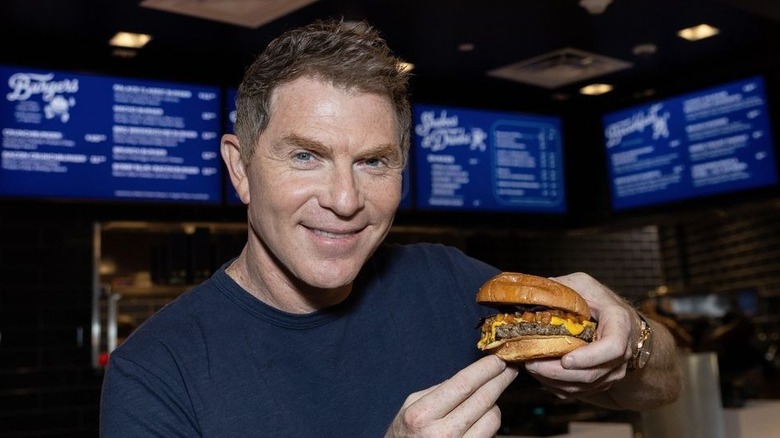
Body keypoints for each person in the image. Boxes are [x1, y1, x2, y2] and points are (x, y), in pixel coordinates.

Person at [99, 18, 682, 437]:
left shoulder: (448, 283)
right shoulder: (155, 373)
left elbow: (663, 387)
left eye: (373, 162)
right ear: (239, 169)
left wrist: (629, 342)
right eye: (306, 156)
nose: (346, 200)